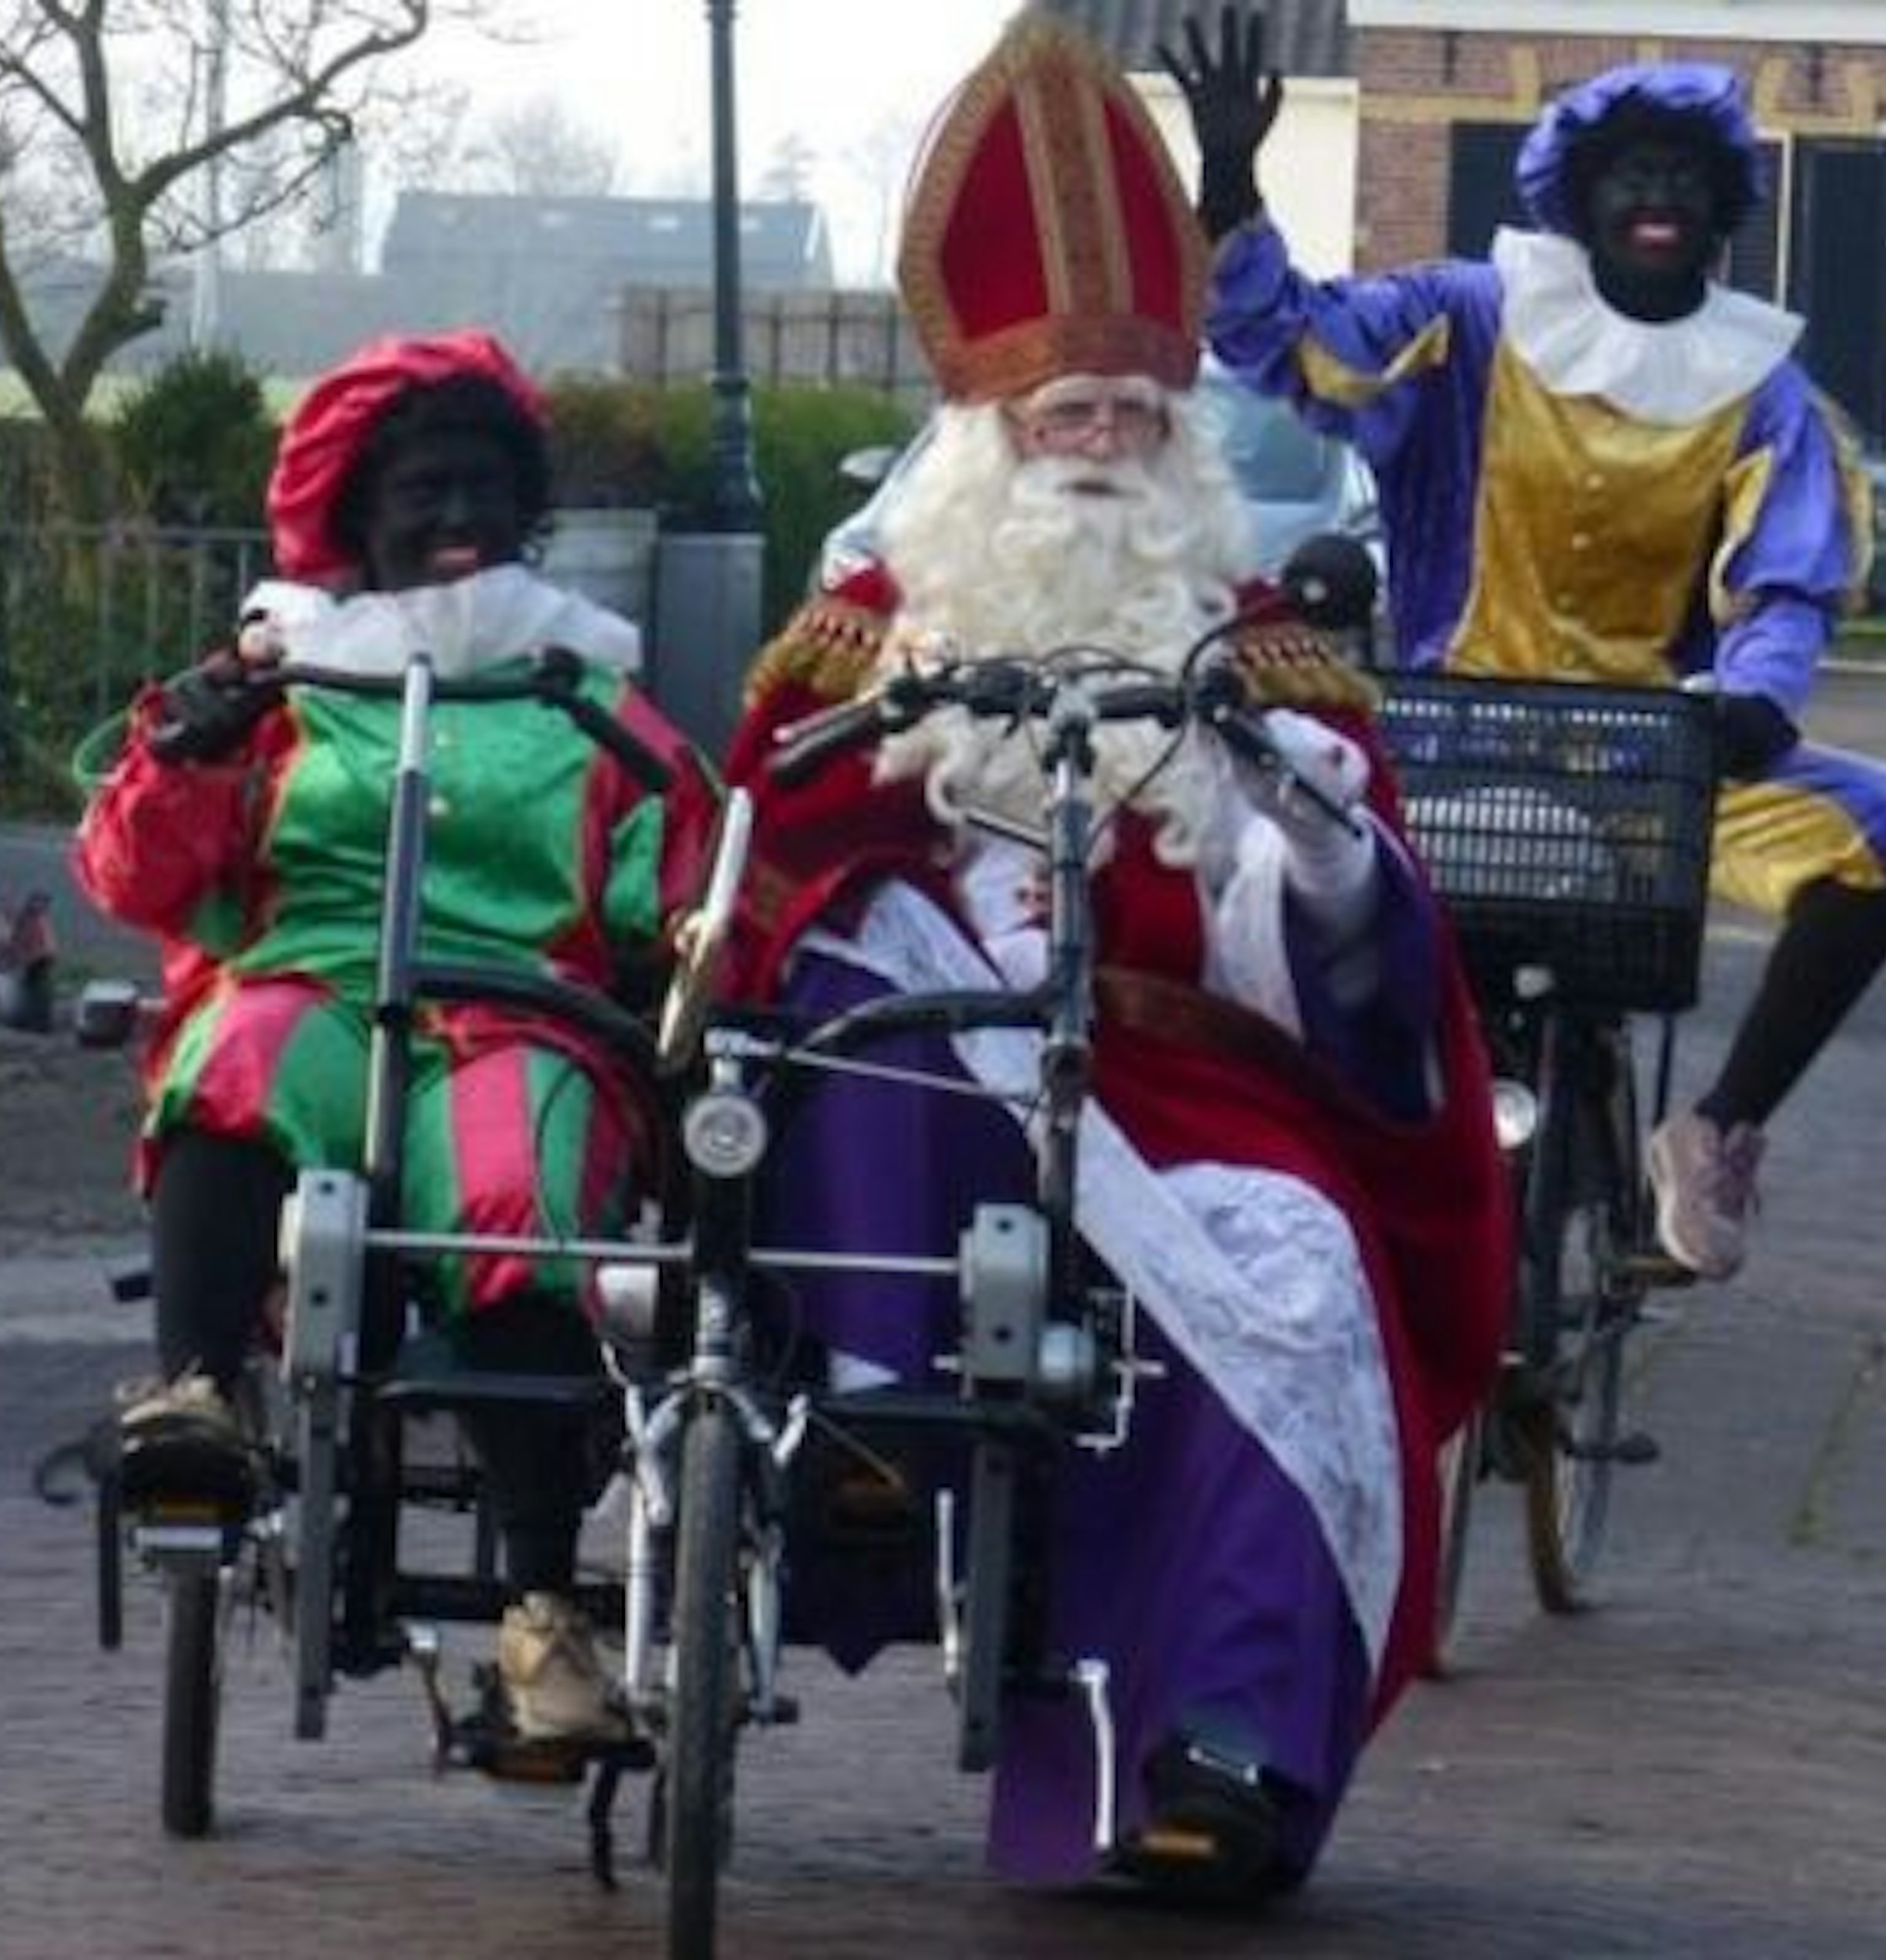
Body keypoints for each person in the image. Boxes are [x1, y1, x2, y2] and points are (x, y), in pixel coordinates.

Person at [724, 15, 1508, 1903]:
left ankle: (1214, 1741)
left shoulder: (1261, 657)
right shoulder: (861, 637)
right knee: (861, 979)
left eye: (1128, 418)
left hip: (1192, 1076)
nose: (1094, 447)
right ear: (983, 440)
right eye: (1058, 417)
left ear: (1179, 444)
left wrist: (1301, 836)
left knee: (1304, 1268)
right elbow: (745, 863)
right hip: (939, 1084)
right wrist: (880, 820)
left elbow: (1361, 959)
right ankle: (864, 1410)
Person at [1170, 15, 1886, 1282]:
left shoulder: (1762, 389)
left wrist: (1754, 702)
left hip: (1660, 760)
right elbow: (1295, 345)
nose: (1660, 196)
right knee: (1254, 855)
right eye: (1633, 175)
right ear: (1580, 200)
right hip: (1449, 746)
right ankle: (1297, 1155)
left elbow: (1786, 582)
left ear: (1721, 212)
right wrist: (1227, 187)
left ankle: (1713, 1132)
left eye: (1687, 179)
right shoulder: (1470, 318)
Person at [74, 330, 723, 1745]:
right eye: (421, 490)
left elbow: (688, 896)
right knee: (236, 1062)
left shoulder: (595, 701)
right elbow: (136, 878)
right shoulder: (280, 683)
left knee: (516, 1175)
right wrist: (181, 747)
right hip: (313, 984)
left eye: (483, 489)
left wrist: (691, 958)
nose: (453, 519)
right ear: (358, 516)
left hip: (517, 1012)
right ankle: (197, 1399)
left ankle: (545, 1619)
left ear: (526, 509)